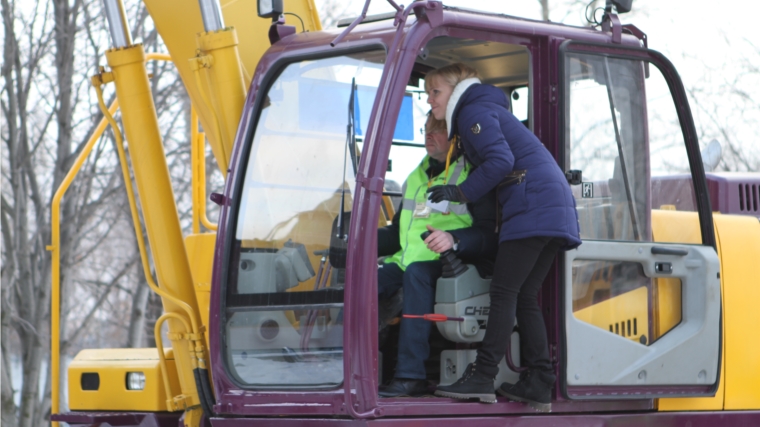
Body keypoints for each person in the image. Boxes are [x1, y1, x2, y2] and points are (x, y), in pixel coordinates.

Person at [425, 63, 581, 410]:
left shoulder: (472, 112)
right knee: (525, 295)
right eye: (427, 93)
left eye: (435, 92)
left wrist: (459, 192)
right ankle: (540, 380)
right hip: (552, 206)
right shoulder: (483, 111)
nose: (429, 100)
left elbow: (499, 161)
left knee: (504, 291)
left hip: (533, 205)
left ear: (456, 89)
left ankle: (483, 374)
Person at [376, 114, 497, 397]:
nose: (429, 135)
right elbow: (398, 234)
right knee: (363, 283)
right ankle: (351, 367)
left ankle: (410, 375)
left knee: (417, 274)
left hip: (451, 262)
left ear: (457, 136)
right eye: (426, 129)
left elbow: (489, 236)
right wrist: (361, 240)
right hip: (406, 261)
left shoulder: (472, 177)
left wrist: (453, 239)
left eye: (438, 129)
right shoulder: (415, 176)